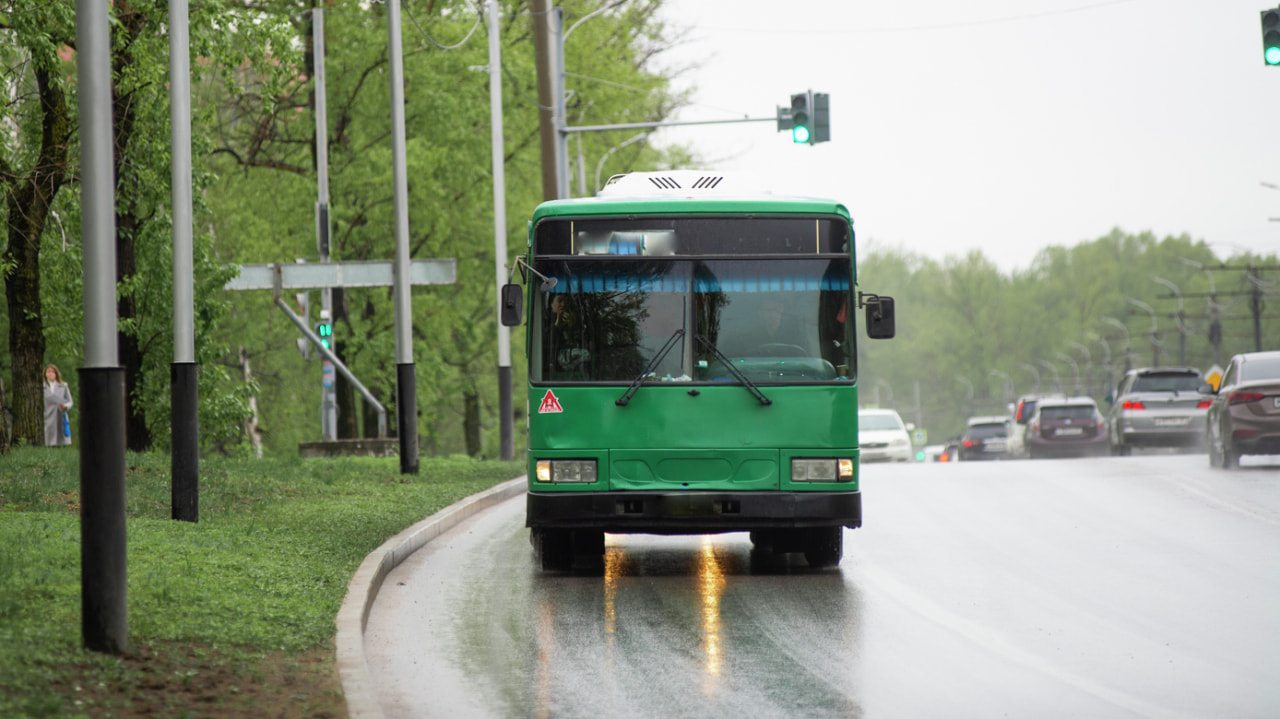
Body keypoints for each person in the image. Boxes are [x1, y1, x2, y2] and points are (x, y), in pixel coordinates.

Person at [43, 364, 73, 447]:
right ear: (45, 374)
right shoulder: (42, 387)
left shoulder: (63, 386)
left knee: (61, 441)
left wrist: (65, 406)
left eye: (53, 372)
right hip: (47, 416)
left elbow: (70, 401)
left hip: (60, 415)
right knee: (49, 441)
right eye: (49, 372)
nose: (50, 374)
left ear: (56, 374)